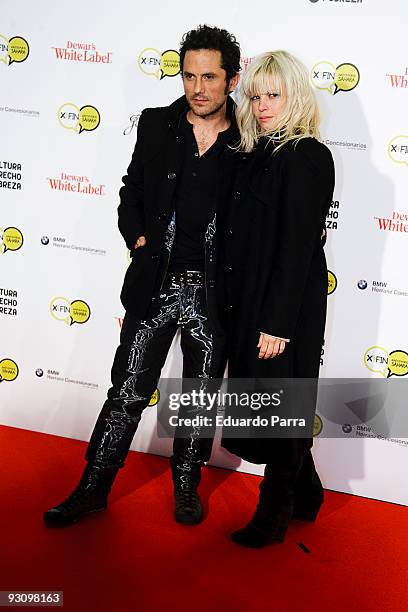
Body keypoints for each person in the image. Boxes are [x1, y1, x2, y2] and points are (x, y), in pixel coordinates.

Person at [43, 25, 240, 528]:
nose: (198, 88)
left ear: (232, 80)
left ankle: (186, 487)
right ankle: (92, 488)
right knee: (128, 389)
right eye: (189, 75)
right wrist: (138, 239)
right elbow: (131, 191)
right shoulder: (156, 124)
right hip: (156, 281)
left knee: (198, 397)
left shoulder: (250, 138)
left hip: (214, 291)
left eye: (210, 77)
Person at [220, 50, 335, 547]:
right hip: (253, 301)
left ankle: (274, 514)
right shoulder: (257, 150)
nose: (263, 105)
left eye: (274, 95)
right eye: (257, 95)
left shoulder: (308, 155)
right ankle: (307, 492)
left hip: (287, 306)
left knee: (283, 405)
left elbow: (297, 246)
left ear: (296, 96)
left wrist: (279, 323)